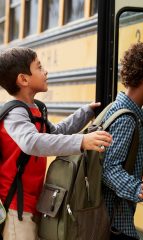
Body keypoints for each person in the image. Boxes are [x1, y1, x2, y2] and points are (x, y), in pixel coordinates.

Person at [0, 47, 112, 240]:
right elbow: (32, 143)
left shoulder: (35, 109)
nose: (46, 71)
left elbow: (56, 132)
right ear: (23, 79)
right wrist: (82, 141)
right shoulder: (14, 114)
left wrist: (85, 113)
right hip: (16, 207)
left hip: (33, 203)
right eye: (39, 67)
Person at [102, 42, 143, 240]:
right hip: (116, 224)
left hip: (113, 220)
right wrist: (136, 188)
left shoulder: (114, 109)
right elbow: (109, 168)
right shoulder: (127, 118)